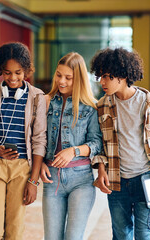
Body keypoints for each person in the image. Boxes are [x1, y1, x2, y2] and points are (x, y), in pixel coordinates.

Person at [90, 47, 150, 240]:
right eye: (100, 76)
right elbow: (100, 142)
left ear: (122, 75)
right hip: (117, 182)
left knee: (144, 235)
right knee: (121, 235)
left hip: (146, 179)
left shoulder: (148, 103)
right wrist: (101, 169)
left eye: (107, 76)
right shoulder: (102, 105)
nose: (102, 82)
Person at [0, 42, 47, 240]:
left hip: (22, 168)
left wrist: (33, 181)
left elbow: (40, 140)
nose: (13, 78)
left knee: (14, 232)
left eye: (18, 73)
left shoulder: (37, 97)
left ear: (26, 71)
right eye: (7, 73)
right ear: (0, 71)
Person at [40, 52, 103, 240]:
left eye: (68, 77)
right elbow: (37, 139)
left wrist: (73, 151)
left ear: (80, 79)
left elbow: (97, 143)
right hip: (52, 181)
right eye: (59, 75)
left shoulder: (91, 107)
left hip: (81, 180)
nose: (62, 81)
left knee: (73, 237)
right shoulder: (45, 102)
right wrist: (41, 162)